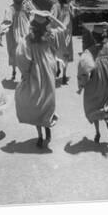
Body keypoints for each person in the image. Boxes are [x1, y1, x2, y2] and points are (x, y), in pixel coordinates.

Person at [14, 10, 66, 148]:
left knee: (36, 100)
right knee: (48, 99)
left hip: (35, 70)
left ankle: (40, 136)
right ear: (47, 23)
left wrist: (25, 73)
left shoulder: (28, 38)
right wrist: (52, 17)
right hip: (49, 68)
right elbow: (64, 28)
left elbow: (21, 56)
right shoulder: (51, 34)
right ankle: (47, 126)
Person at [3, 0, 34, 81]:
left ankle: (14, 71)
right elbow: (31, 3)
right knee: (24, 52)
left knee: (13, 51)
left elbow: (7, 21)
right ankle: (22, 72)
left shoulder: (10, 8)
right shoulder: (26, 6)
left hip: (14, 33)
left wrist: (2, 29)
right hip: (25, 32)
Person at [50, 0, 78, 84]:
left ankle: (58, 68)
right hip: (67, 35)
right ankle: (64, 76)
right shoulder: (70, 7)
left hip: (58, 33)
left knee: (57, 51)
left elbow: (51, 17)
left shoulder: (55, 6)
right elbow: (74, 15)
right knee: (66, 54)